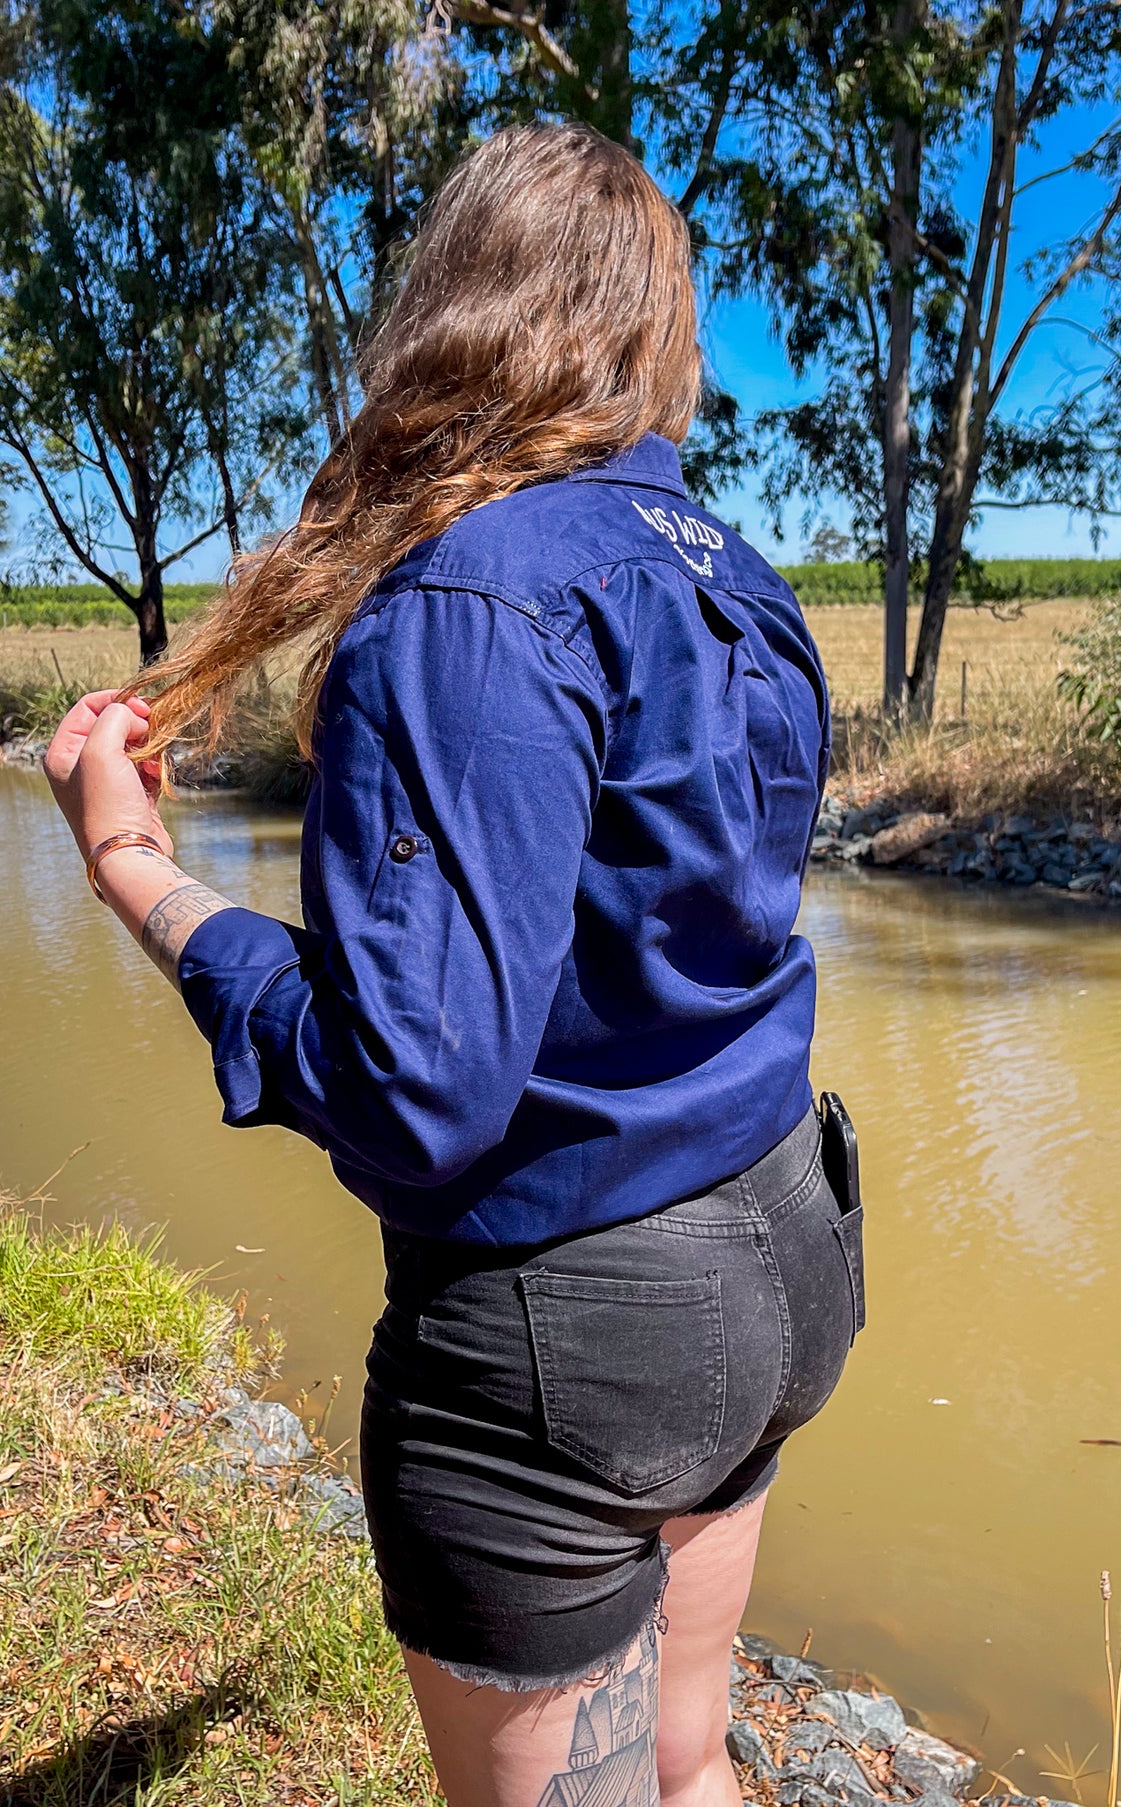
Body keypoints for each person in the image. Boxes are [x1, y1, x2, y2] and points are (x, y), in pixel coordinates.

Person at [43, 119, 863, 1807]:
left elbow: (418, 1094)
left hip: (584, 1315)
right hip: (783, 1238)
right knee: (689, 1757)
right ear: (653, 329)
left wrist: (133, 867)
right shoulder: (739, 579)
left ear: (450, 307)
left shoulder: (466, 592)